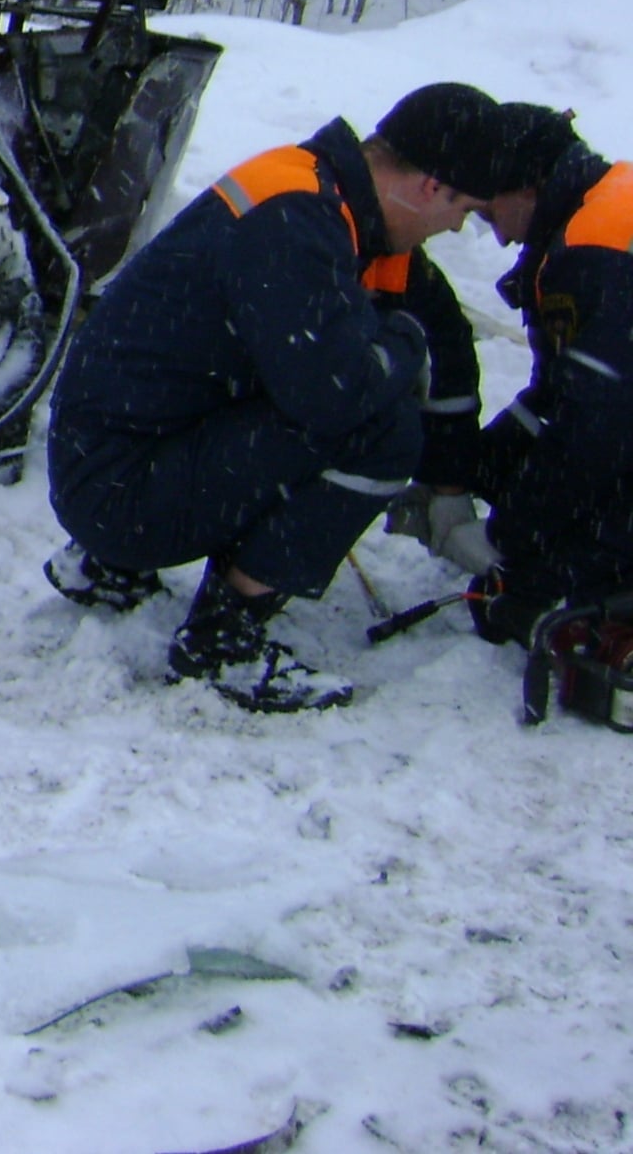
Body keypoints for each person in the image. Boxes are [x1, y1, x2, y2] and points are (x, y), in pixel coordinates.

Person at [42, 84, 509, 712]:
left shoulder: (315, 189)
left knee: (317, 370)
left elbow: (421, 327)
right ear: (431, 187)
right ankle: (221, 641)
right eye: (464, 211)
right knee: (381, 428)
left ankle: (107, 565)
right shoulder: (297, 223)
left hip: (105, 459)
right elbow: (336, 397)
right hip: (117, 490)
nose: (456, 226)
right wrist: (404, 342)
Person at [455, 102, 633, 643]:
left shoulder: (593, 249)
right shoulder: (604, 204)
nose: (502, 239)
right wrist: (481, 463)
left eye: (490, 215)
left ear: (530, 186)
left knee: (548, 582)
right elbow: (565, 394)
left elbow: (599, 429)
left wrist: (517, 537)